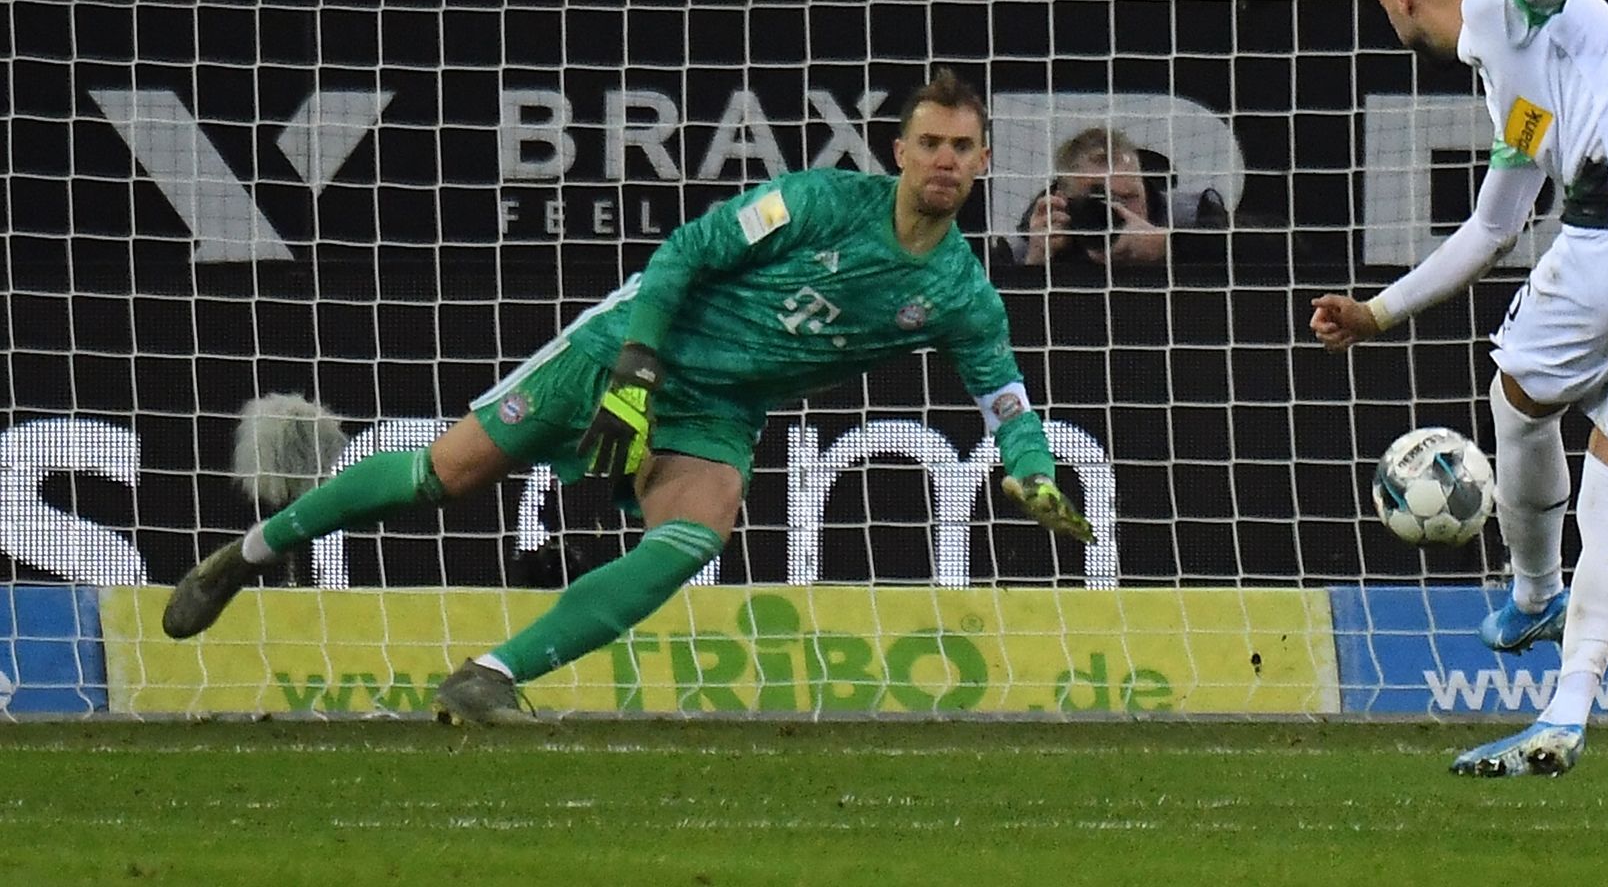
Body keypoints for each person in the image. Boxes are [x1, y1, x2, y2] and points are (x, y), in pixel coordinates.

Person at [163, 68, 1095, 723]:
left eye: (961, 146)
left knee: (698, 531)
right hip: (626, 347)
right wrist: (636, 369)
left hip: (717, 412)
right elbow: (683, 254)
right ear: (899, 150)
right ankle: (244, 556)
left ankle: (489, 676)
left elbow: (1005, 400)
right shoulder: (817, 203)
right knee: (442, 476)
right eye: (929, 142)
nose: (943, 159)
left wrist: (1034, 473)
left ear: (983, 160)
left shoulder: (964, 295)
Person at [1310, 0, 1608, 776]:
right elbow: (1495, 225)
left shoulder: (1490, 2)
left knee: (1516, 395)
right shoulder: (1525, 85)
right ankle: (1566, 713)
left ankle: (1536, 592)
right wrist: (1378, 313)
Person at [1012, 127, 1170, 266]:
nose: (1116, 211)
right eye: (1099, 202)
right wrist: (1037, 263)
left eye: (1129, 197)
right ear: (1062, 202)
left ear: (1145, 191)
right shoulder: (1022, 253)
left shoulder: (1178, 225)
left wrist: (1165, 249)